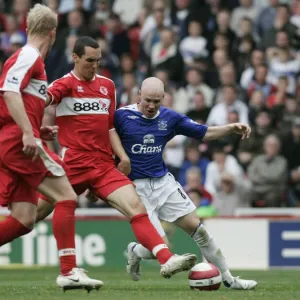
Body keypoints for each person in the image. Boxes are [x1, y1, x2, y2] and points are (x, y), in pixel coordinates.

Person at [37, 36, 197, 279]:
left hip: (103, 166)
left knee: (135, 206)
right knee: (30, 216)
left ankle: (167, 259)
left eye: (98, 61)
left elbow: (110, 127)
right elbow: (43, 101)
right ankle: (67, 267)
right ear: (76, 58)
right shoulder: (64, 84)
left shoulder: (107, 86)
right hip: (73, 165)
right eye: (89, 60)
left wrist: (122, 156)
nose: (94, 66)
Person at [111, 77, 257, 289]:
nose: (151, 106)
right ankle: (135, 250)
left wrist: (230, 128)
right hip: (136, 189)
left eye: (156, 101)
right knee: (160, 248)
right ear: (139, 95)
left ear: (163, 98)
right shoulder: (122, 117)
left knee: (200, 232)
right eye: (147, 100)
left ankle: (229, 279)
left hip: (163, 184)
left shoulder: (170, 118)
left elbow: (204, 132)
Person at [0, 4, 102, 291]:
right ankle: (69, 271)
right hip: (19, 142)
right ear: (53, 33)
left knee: (23, 219)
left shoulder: (27, 58)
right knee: (67, 195)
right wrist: (26, 132)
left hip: (14, 138)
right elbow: (8, 91)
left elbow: (15, 98)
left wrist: (34, 126)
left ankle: (69, 269)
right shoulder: (30, 55)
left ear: (27, 28)